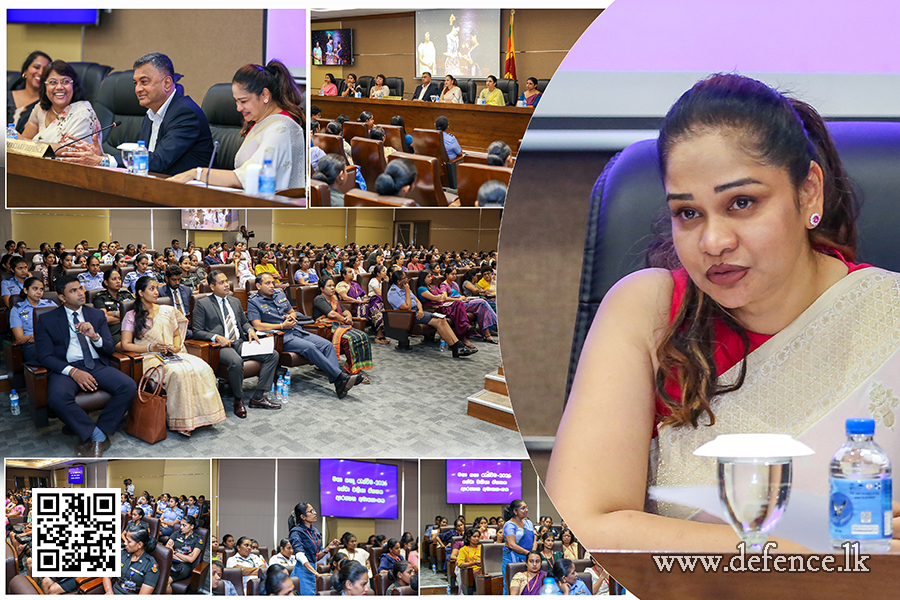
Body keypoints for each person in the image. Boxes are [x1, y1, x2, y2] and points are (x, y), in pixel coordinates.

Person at [545, 72, 900, 553]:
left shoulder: (889, 313)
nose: (713, 242)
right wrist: (804, 548)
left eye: (742, 203)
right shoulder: (647, 312)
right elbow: (584, 525)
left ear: (809, 191)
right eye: (688, 213)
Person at [57, 52, 213, 175]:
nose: (137, 89)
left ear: (166, 83)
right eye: (135, 83)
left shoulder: (185, 113)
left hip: (188, 192)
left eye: (144, 82)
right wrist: (103, 157)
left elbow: (159, 161)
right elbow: (146, 160)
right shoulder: (151, 114)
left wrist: (104, 161)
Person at [33, 275, 137, 457]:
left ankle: (101, 429)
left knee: (128, 386)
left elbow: (110, 347)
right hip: (66, 367)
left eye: (80, 288)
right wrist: (73, 372)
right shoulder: (47, 320)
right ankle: (97, 436)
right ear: (62, 298)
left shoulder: (96, 314)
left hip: (96, 364)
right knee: (57, 397)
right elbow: (45, 356)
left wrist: (95, 336)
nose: (80, 293)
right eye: (73, 291)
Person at [170, 61, 305, 191]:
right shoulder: (262, 122)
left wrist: (196, 173)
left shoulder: (281, 128)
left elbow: (246, 178)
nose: (238, 108)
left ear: (264, 95)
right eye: (236, 101)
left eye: (243, 101)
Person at [120, 277, 226, 435]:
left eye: (157, 288)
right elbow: (126, 344)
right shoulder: (131, 315)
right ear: (141, 293)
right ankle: (183, 421)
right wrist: (151, 347)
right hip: (149, 356)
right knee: (178, 373)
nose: (156, 292)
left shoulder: (167, 310)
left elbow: (177, 335)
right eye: (151, 289)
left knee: (203, 368)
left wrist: (176, 346)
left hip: (173, 353)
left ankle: (203, 416)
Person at [248, 273, 361, 398]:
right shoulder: (254, 301)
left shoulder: (279, 294)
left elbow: (292, 311)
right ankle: (340, 377)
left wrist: (292, 317)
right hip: (279, 337)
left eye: (273, 283)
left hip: (295, 330)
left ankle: (339, 384)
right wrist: (282, 326)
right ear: (258, 286)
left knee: (327, 345)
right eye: (267, 283)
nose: (271, 286)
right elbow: (257, 325)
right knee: (310, 347)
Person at [192, 270, 281, 418]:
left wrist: (250, 330)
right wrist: (216, 337)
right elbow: (197, 331)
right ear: (212, 287)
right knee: (236, 361)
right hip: (221, 347)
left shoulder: (235, 301)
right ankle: (238, 399)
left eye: (227, 281)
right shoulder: (203, 304)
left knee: (272, 355)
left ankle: (258, 397)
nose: (227, 285)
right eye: (222, 283)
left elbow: (244, 322)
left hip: (239, 342)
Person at [387, 269, 475, 357]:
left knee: (442, 319)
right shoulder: (393, 293)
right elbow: (407, 307)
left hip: (417, 312)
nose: (406, 279)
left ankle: (457, 346)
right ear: (399, 281)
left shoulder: (404, 287)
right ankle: (456, 347)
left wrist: (420, 310)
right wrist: (407, 291)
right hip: (406, 316)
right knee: (438, 321)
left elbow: (417, 301)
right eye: (404, 278)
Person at [20, 60, 100, 146]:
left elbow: (70, 150)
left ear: (73, 85)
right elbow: (23, 143)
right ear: (45, 86)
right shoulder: (40, 109)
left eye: (65, 81)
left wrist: (26, 142)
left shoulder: (83, 113)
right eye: (53, 82)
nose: (59, 87)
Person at [313, 277, 374, 380]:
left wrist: (349, 317)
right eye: (329, 286)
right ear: (322, 289)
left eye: (333, 285)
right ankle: (354, 371)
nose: (332, 288)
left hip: (339, 324)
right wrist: (345, 320)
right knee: (348, 339)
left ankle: (355, 366)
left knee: (363, 335)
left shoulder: (334, 298)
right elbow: (331, 314)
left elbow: (345, 311)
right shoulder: (319, 299)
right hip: (326, 326)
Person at [288, 502, 340, 595]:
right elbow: (300, 556)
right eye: (311, 511)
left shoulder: (315, 531)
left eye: (314, 510)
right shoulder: (296, 532)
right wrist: (316, 573)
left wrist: (327, 548)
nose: (315, 513)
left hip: (312, 570)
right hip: (302, 572)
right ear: (303, 517)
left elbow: (314, 558)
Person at [418, 271, 477, 350]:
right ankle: (464, 327)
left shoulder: (433, 287)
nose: (430, 278)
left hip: (444, 305)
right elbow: (434, 298)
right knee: (458, 305)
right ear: (423, 278)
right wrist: (438, 298)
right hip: (436, 309)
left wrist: (439, 298)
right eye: (428, 277)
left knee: (459, 304)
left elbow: (443, 297)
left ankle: (464, 328)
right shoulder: (421, 289)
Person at [440, 266, 497, 342]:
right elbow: (444, 298)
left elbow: (459, 295)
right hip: (454, 305)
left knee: (482, 305)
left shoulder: (454, 284)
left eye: (455, 274)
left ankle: (487, 334)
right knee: (482, 302)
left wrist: (462, 297)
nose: (454, 276)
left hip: (462, 302)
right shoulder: (443, 285)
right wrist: (458, 299)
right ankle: (496, 323)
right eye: (452, 274)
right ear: (446, 274)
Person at [336, 265, 389, 345]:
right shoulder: (341, 284)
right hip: (355, 305)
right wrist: (359, 302)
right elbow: (344, 297)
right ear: (344, 275)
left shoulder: (355, 284)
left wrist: (365, 299)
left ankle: (381, 329)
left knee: (377, 300)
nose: (352, 274)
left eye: (352, 272)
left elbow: (363, 294)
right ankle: (379, 333)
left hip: (362, 303)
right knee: (375, 306)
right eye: (350, 272)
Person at [10, 279, 57, 363]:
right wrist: (35, 338)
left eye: (41, 289)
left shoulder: (50, 304)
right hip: (31, 345)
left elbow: (61, 324)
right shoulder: (17, 309)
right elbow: (19, 337)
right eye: (35, 288)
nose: (39, 292)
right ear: (25, 290)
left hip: (54, 341)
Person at [103, 530, 160, 594]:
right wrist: (109, 591)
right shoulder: (123, 553)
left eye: (129, 541)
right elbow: (107, 576)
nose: (125, 543)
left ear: (139, 545)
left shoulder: (150, 565)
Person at [9, 50, 51, 131]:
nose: (40, 72)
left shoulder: (46, 104)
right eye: (36, 67)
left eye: (45, 70)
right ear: (25, 70)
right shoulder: (5, 97)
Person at [92, 268, 134, 346]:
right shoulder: (100, 297)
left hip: (131, 329)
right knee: (126, 347)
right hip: (113, 332)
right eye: (114, 279)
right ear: (106, 282)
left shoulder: (126, 294)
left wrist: (113, 313)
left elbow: (137, 312)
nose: (118, 281)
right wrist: (126, 317)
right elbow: (105, 319)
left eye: (119, 279)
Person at [501, 499, 534, 594]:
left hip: (528, 558)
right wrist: (528, 553)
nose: (526, 510)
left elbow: (534, 540)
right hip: (512, 557)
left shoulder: (528, 523)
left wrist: (533, 553)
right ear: (515, 511)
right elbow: (511, 545)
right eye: (523, 508)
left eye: (526, 507)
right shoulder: (509, 524)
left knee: (528, 583)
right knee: (511, 584)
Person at [456, 527, 483, 595]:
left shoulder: (482, 547)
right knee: (481, 577)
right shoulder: (463, 549)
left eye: (478, 537)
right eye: (474, 536)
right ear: (468, 538)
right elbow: (460, 564)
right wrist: (474, 563)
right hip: (472, 571)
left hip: (484, 570)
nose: (476, 538)